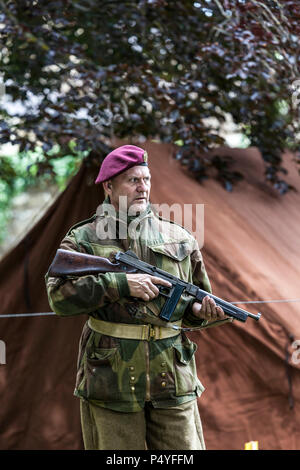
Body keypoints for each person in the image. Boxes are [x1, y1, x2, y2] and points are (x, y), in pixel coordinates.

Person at [45, 144, 230, 450]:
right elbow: (58, 298)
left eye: (146, 179)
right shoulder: (84, 239)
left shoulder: (179, 238)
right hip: (110, 378)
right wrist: (120, 284)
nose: (143, 187)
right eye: (133, 180)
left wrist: (201, 312)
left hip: (172, 378)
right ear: (109, 186)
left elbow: (195, 302)